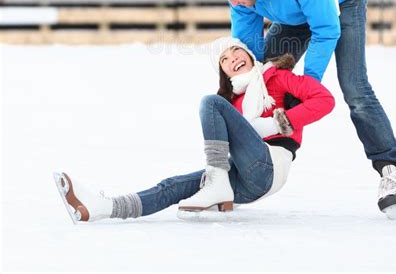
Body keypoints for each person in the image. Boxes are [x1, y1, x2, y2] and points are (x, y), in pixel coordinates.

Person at [202, 0, 396, 219]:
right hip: (296, 11)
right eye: (229, 0)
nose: (234, 4)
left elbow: (326, 29)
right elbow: (249, 53)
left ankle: (394, 168)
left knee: (355, 88)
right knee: (265, 77)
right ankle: (251, 161)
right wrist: (250, 79)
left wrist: (309, 85)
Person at [54, 37, 335, 223]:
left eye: (235, 50)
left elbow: (325, 100)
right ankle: (106, 208)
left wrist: (277, 123)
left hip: (271, 165)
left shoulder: (278, 77)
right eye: (224, 59)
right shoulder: (232, 104)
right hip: (248, 184)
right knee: (173, 185)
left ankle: (216, 183)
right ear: (224, 73)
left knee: (210, 103)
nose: (232, 57)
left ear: (248, 53)